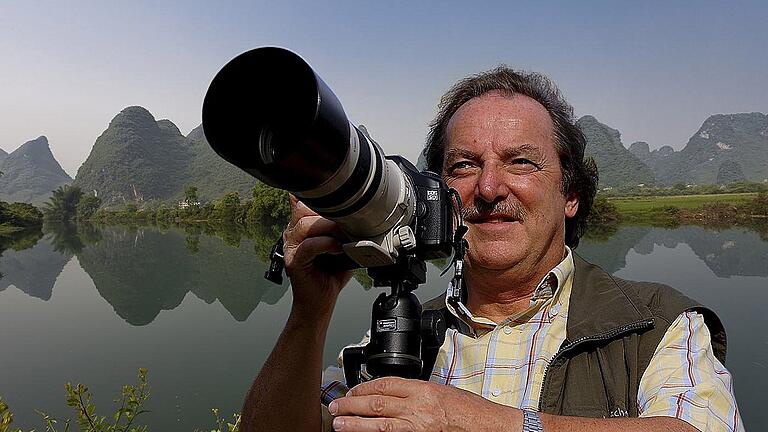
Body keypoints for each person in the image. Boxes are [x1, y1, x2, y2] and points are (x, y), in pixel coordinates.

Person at [240, 67, 743, 432]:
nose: (488, 188)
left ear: (569, 194)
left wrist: (466, 419)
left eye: (521, 163)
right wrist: (310, 311)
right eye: (462, 166)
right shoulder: (401, 336)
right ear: (434, 196)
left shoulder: (655, 324)